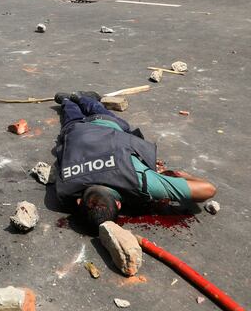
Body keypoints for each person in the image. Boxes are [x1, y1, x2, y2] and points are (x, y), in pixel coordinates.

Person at [53, 91, 217, 231]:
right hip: (76, 130)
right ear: (79, 201)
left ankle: (81, 98)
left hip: (102, 125)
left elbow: (208, 190)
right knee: (79, 114)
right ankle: (71, 100)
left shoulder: (139, 181)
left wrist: (182, 175)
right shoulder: (66, 188)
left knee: (98, 110)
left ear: (118, 204)